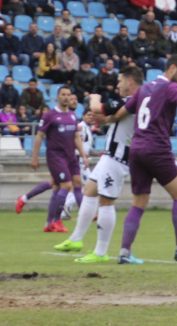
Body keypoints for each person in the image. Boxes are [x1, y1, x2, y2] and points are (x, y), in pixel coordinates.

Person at [96, 54, 177, 264]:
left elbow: (120, 114)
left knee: (138, 202)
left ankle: (124, 252)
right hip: (157, 148)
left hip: (136, 150)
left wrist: (103, 119)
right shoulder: (169, 87)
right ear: (173, 68)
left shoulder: (144, 88)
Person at [52, 67, 141, 262]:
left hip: (118, 159)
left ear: (130, 82)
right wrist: (102, 119)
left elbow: (97, 107)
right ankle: (76, 239)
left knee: (106, 201)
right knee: (89, 191)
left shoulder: (131, 100)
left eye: (120, 81)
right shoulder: (131, 103)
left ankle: (101, 252)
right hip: (110, 155)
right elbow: (114, 118)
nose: (118, 85)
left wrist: (94, 97)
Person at [29, 87, 87, 234]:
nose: (66, 97)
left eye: (68, 95)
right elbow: (40, 136)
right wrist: (34, 156)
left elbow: (75, 137)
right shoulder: (50, 115)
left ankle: (50, 223)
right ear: (57, 97)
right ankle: (57, 221)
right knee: (66, 185)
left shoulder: (73, 115)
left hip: (71, 156)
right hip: (56, 156)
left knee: (72, 184)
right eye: (63, 95)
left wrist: (83, 155)